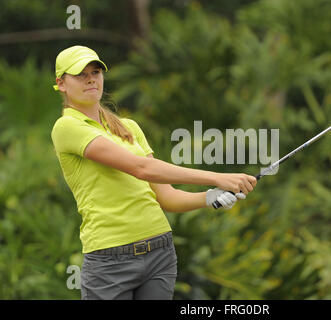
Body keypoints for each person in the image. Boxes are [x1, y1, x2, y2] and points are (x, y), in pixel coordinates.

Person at [50, 45, 257, 300]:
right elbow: (142, 169)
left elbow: (166, 198)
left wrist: (209, 196)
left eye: (96, 72)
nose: (91, 78)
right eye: (80, 74)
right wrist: (218, 177)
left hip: (160, 251)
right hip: (110, 259)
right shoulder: (66, 127)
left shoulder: (129, 127)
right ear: (61, 83)